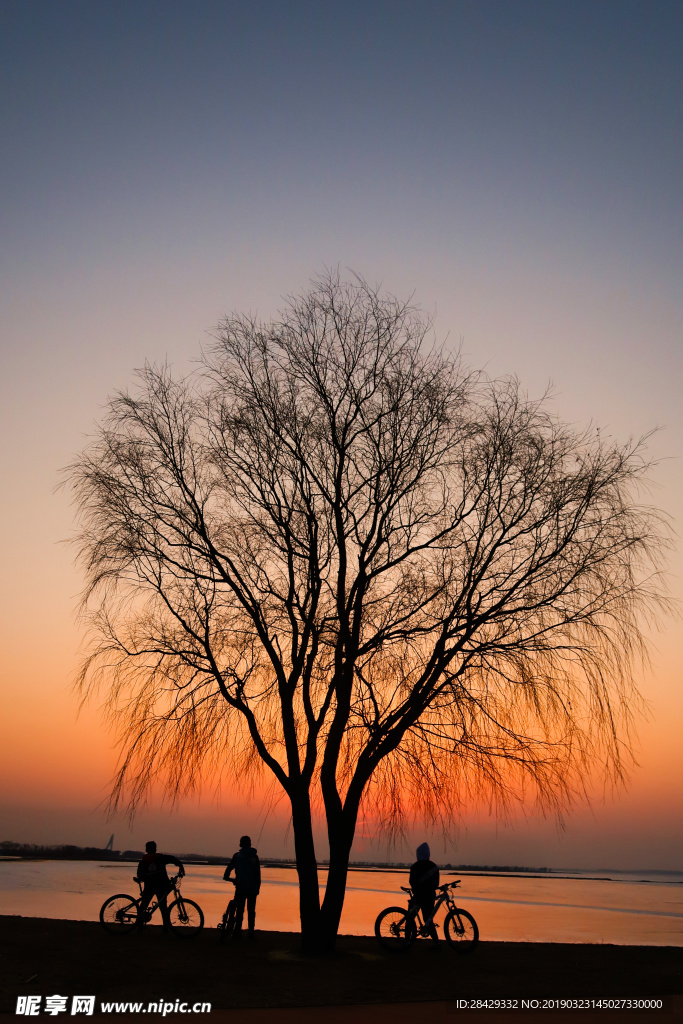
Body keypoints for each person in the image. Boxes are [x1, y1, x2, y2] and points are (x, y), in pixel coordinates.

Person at [135, 840, 185, 930]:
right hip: (161, 885)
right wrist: (180, 866)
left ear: (146, 849)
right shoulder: (160, 858)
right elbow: (173, 859)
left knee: (144, 904)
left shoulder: (143, 860)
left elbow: (140, 874)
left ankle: (139, 924)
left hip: (149, 886)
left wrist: (143, 878)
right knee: (163, 907)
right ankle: (166, 927)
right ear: (155, 849)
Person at [224, 834, 261, 939]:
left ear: (241, 844)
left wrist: (229, 878)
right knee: (251, 911)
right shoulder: (254, 857)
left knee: (239, 911)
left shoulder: (237, 856)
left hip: (240, 887)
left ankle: (237, 932)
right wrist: (257, 887)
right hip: (252, 888)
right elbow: (257, 874)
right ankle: (251, 933)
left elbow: (228, 870)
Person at [409, 842, 440, 943]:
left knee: (410, 918)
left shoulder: (415, 866)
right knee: (428, 920)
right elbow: (436, 884)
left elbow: (411, 882)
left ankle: (406, 940)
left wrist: (417, 888)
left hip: (418, 895)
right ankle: (436, 943)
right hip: (429, 896)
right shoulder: (434, 866)